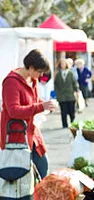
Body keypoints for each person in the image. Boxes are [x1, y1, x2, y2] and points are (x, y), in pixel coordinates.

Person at [1, 49, 55, 182]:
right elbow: (14, 111)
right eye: (39, 71)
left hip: (31, 132)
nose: (41, 75)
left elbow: (36, 102)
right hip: (15, 134)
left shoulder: (32, 80)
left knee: (42, 165)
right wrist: (41, 107)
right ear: (30, 67)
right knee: (19, 175)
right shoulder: (11, 82)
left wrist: (46, 105)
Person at [53, 58, 79, 128]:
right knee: (63, 112)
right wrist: (57, 94)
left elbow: (75, 83)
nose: (62, 65)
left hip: (70, 95)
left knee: (71, 111)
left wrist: (77, 91)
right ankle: (64, 124)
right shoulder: (58, 75)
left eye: (64, 64)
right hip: (61, 96)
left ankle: (72, 122)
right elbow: (56, 85)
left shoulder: (70, 74)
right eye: (61, 64)